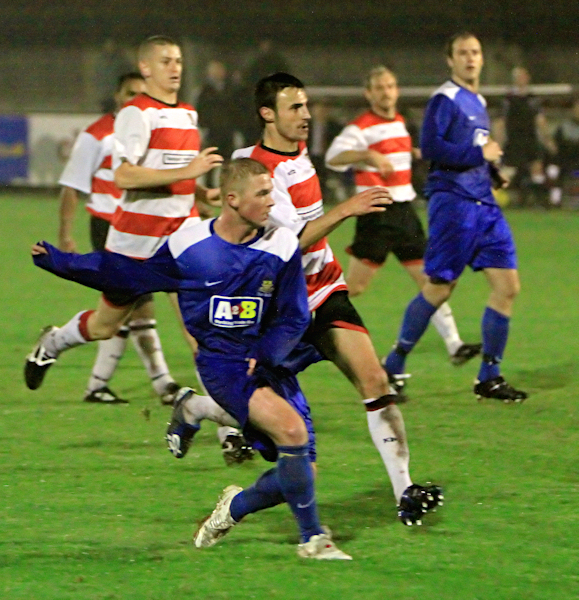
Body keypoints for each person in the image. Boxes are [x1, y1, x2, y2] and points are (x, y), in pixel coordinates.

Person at [31, 158, 352, 560]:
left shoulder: (282, 243)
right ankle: (313, 540)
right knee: (292, 434)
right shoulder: (189, 245)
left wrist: (267, 352)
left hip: (267, 363)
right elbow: (127, 275)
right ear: (232, 200)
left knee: (304, 471)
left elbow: (293, 315)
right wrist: (62, 262)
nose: (272, 201)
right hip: (222, 364)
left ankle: (232, 507)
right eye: (263, 193)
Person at [231, 72, 442, 525]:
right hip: (282, 308)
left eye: (306, 106)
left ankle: (405, 490)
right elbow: (294, 242)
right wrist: (348, 208)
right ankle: (199, 411)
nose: (306, 115)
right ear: (267, 114)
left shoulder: (299, 154)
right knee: (249, 393)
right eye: (295, 108)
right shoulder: (255, 169)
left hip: (325, 291)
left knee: (376, 382)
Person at [25, 35, 249, 461]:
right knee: (107, 326)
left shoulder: (186, 113)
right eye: (165, 61)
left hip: (182, 242)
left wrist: (203, 193)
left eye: (179, 60)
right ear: (145, 68)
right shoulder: (135, 113)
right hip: (135, 245)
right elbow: (125, 176)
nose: (175, 67)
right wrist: (191, 168)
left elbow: (174, 177)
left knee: (203, 334)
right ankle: (52, 343)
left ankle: (227, 430)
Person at [383, 33, 527, 403]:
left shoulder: (477, 101)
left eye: (476, 52)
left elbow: (474, 150)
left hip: (484, 204)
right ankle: (393, 365)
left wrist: (491, 172)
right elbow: (432, 148)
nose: (470, 58)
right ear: (450, 60)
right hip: (454, 204)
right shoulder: (444, 99)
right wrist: (481, 154)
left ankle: (489, 377)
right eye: (462, 53)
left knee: (508, 287)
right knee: (440, 287)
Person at [325, 66, 481, 370]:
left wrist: (414, 152)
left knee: (431, 280)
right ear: (369, 93)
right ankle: (306, 318)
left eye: (390, 86)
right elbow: (333, 157)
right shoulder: (359, 128)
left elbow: (395, 149)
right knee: (355, 287)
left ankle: (455, 345)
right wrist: (366, 156)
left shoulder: (398, 122)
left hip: (405, 214)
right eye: (379, 87)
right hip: (377, 215)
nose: (386, 92)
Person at [58, 71, 181, 405]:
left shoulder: (152, 128)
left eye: (141, 93)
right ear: (117, 95)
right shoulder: (98, 135)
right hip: (109, 227)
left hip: (149, 228)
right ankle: (163, 385)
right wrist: (65, 234)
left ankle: (99, 385)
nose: (134, 99)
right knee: (135, 308)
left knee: (128, 312)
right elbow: (72, 186)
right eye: (129, 93)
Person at [495, 67, 555, 208]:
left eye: (524, 76)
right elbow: (500, 122)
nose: (522, 79)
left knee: (537, 168)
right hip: (514, 140)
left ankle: (538, 200)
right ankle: (495, 198)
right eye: (519, 76)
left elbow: (540, 120)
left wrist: (547, 139)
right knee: (507, 171)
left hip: (530, 139)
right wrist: (498, 142)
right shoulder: (508, 99)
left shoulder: (533, 99)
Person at [196, 60, 238, 186]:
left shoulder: (230, 90)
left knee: (228, 163)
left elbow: (235, 110)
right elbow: (201, 110)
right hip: (212, 132)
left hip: (227, 131)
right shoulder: (204, 91)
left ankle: (227, 187)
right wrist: (204, 127)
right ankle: (209, 188)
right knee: (211, 162)